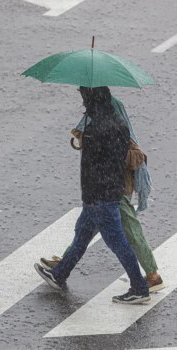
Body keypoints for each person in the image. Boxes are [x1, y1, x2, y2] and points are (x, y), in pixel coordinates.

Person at [34, 86, 150, 304]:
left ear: (92, 101)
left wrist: (86, 134)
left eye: (84, 98)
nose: (83, 103)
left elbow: (91, 164)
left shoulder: (95, 129)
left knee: (117, 242)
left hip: (99, 196)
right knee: (82, 235)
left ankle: (139, 287)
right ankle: (59, 274)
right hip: (110, 189)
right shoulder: (119, 123)